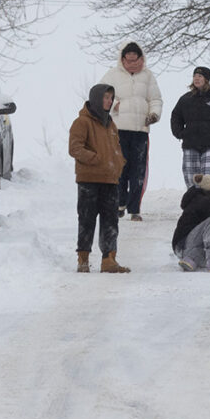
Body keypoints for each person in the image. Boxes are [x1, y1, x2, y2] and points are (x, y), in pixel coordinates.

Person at [69, 84, 130, 273]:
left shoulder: (110, 123)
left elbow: (116, 149)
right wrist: (96, 159)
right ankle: (83, 259)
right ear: (96, 98)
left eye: (111, 98)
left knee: (111, 220)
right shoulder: (82, 122)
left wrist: (119, 163)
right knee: (87, 219)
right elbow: (75, 148)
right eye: (105, 97)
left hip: (110, 180)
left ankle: (109, 259)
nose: (109, 101)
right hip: (89, 179)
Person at [102, 41, 164, 220]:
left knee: (138, 171)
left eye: (135, 60)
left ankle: (134, 208)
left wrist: (154, 114)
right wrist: (116, 105)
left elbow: (156, 99)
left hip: (140, 129)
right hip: (118, 129)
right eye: (128, 60)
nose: (132, 64)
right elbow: (99, 94)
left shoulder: (148, 76)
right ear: (122, 59)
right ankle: (119, 203)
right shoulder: (112, 75)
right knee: (120, 168)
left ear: (141, 58)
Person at [169, 66, 210, 189]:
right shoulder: (185, 99)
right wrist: (179, 133)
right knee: (191, 177)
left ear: (206, 79)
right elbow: (176, 116)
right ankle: (193, 204)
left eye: (200, 76)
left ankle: (208, 205)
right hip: (190, 143)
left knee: (208, 178)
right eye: (195, 76)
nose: (196, 78)